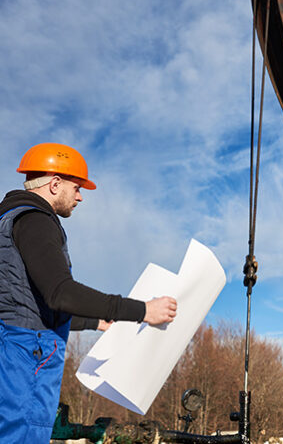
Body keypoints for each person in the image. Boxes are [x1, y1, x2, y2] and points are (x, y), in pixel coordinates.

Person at [0, 142, 178, 443]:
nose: (80, 197)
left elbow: (30, 304)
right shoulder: (36, 221)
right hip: (27, 356)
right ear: (55, 184)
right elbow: (60, 293)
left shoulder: (9, 220)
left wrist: (96, 323)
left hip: (14, 349)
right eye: (77, 187)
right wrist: (144, 311)